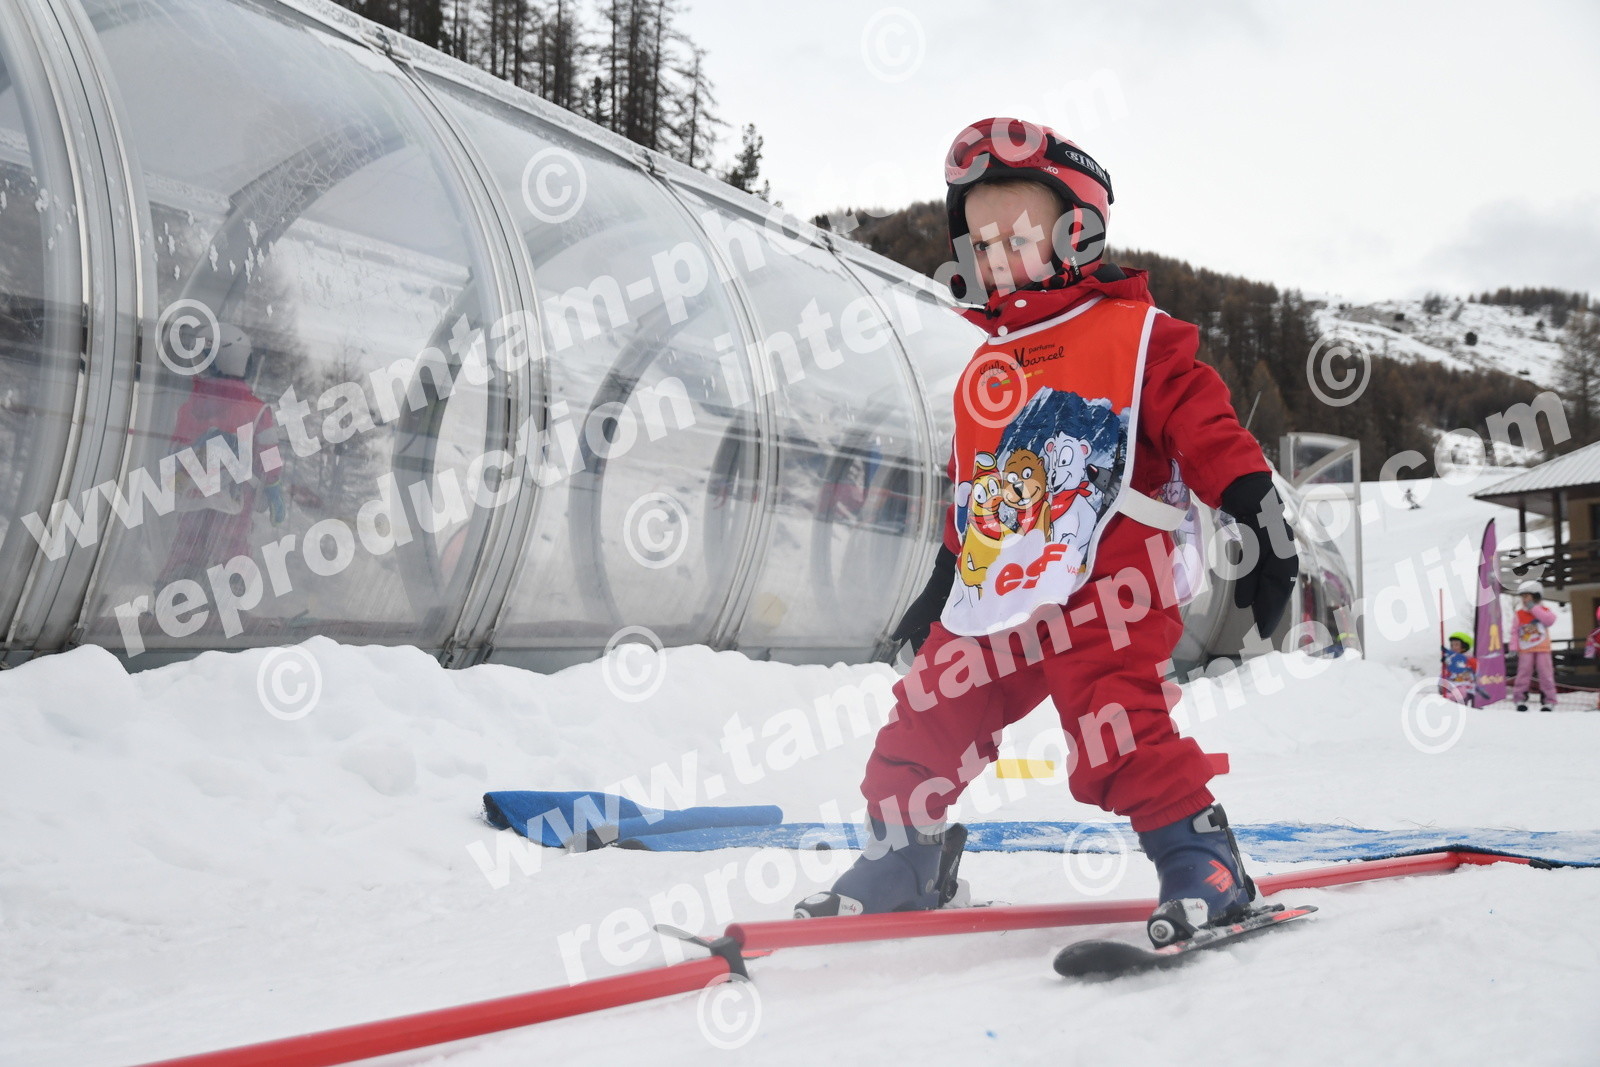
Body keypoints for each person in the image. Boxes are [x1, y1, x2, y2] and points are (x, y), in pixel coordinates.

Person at [792, 118, 1298, 948]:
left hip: (1109, 578)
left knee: (1112, 715)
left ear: (1077, 234)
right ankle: (903, 856)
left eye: (1017, 239)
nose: (996, 259)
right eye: (981, 245)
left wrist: (1255, 506)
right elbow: (977, 491)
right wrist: (940, 586)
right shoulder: (986, 368)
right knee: (932, 705)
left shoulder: (1137, 336)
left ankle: (1200, 858)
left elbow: (1204, 423)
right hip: (998, 583)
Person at [158, 323, 286, 590]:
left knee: (188, 542)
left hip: (193, 492)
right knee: (231, 543)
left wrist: (175, 478)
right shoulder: (256, 410)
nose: (197, 366)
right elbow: (269, 453)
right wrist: (273, 484)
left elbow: (176, 447)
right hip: (235, 496)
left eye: (202, 358)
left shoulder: (189, 407)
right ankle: (230, 590)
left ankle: (176, 589)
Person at [1509, 579, 1557, 712]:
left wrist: (1534, 608)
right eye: (1523, 597)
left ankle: (1549, 700)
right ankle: (1520, 699)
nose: (1524, 600)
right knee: (1523, 673)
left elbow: (1549, 621)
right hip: (1525, 648)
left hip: (1542, 648)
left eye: (1527, 596)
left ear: (1536, 596)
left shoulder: (1544, 610)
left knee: (1546, 674)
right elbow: (1514, 631)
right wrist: (1513, 647)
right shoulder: (1519, 614)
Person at [1440, 631, 1477, 704]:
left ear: (1464, 647)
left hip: (1464, 686)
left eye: (1456, 645)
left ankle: (1448, 698)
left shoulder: (1469, 659)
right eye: (1452, 645)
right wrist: (1445, 664)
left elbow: (1474, 667)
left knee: (1461, 691)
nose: (1453, 647)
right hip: (1452, 684)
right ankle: (1444, 696)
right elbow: (1447, 672)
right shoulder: (1450, 658)